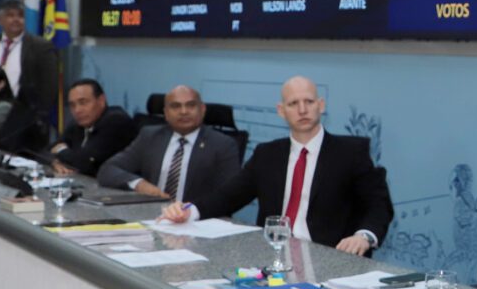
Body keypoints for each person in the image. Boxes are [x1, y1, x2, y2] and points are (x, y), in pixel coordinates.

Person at [159, 76, 392, 255]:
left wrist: (363, 236)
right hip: (272, 254)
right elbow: (227, 197)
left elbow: (378, 205)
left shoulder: (351, 153)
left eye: (309, 102)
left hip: (329, 256)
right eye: (293, 103)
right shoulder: (267, 154)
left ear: (320, 105)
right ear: (281, 111)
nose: (302, 110)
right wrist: (188, 211)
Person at [98, 84, 240, 208]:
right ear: (166, 113)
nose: (183, 111)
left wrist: (190, 211)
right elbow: (108, 169)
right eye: (175, 106)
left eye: (191, 105)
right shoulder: (150, 136)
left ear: (202, 109)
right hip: (150, 213)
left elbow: (230, 196)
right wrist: (139, 184)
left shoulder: (223, 145)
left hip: (196, 220)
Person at [0, 0, 58, 118]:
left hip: (24, 115)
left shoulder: (41, 46)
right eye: (10, 15)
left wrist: (39, 114)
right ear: (0, 20)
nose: (16, 19)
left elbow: (50, 85)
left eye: (20, 16)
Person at [50, 78, 138, 177]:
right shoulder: (78, 124)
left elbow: (87, 163)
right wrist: (55, 162)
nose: (77, 110)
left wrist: (61, 151)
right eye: (72, 105)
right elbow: (47, 150)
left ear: (101, 101)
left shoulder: (116, 121)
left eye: (83, 102)